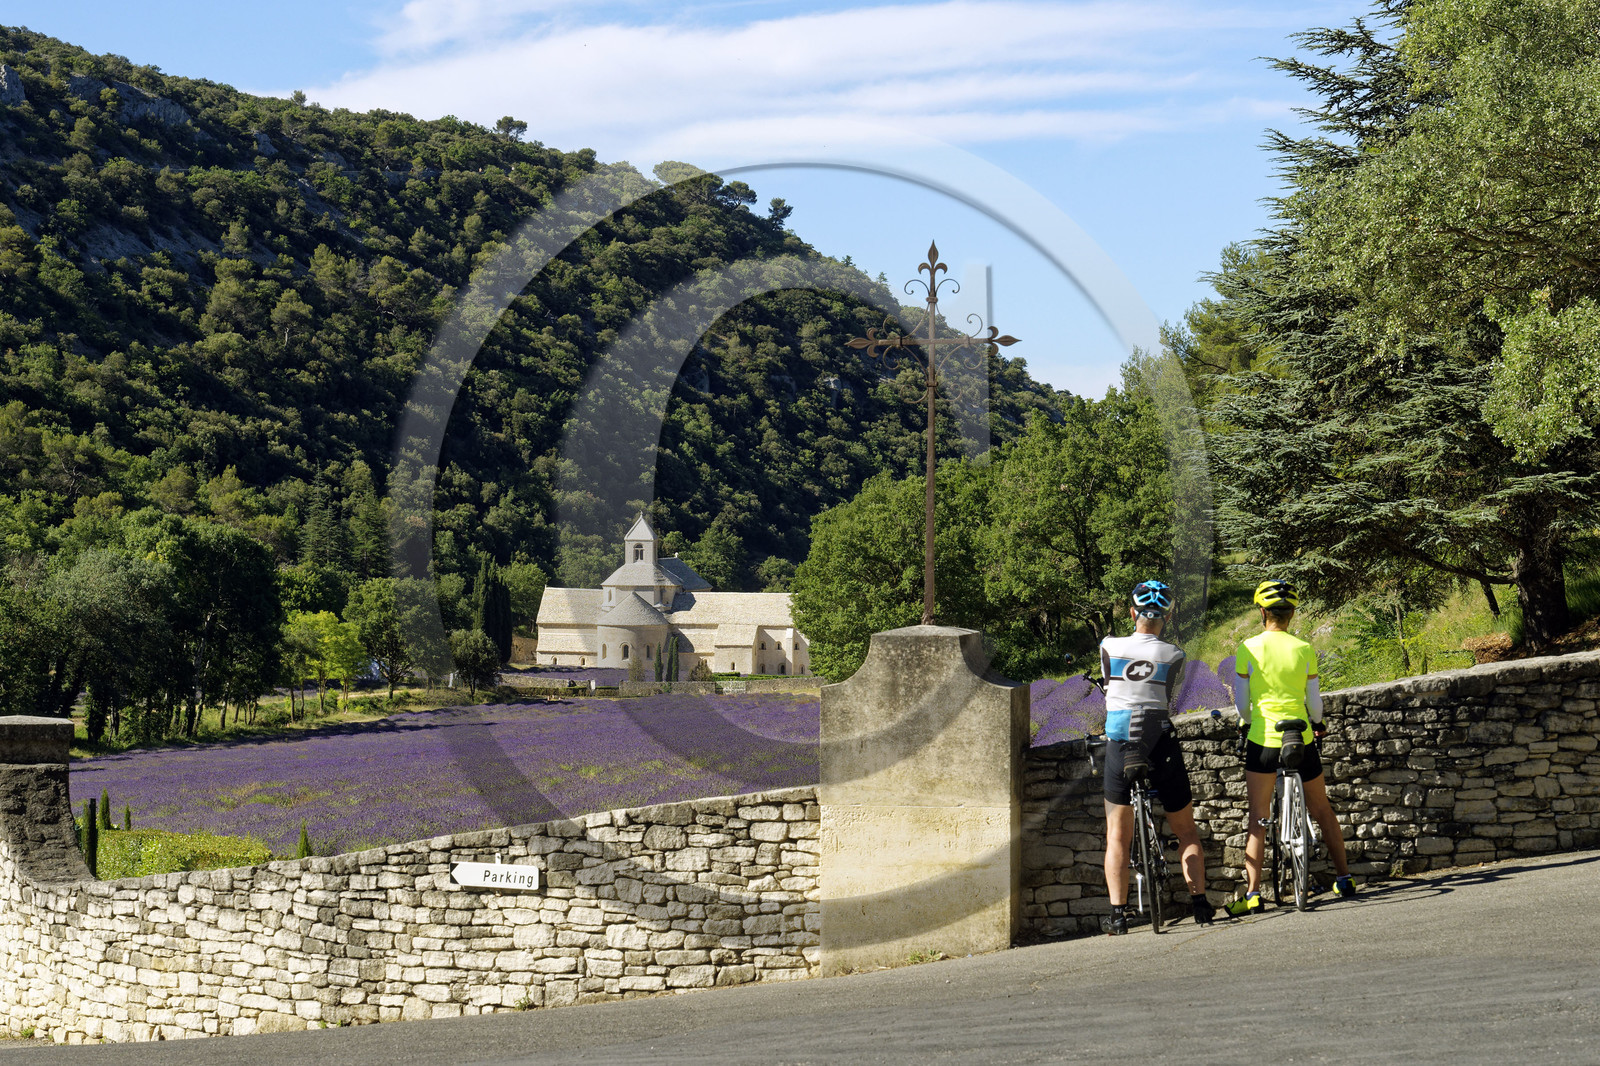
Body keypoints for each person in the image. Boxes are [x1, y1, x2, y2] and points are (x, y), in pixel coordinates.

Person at [1225, 579, 1356, 916]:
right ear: (1292, 613)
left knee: (1258, 818)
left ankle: (1253, 894)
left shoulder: (1248, 648)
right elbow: (1315, 706)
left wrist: (1247, 720)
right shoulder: (1304, 649)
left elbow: (1241, 706)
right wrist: (1317, 722)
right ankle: (1344, 877)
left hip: (1264, 740)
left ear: (1262, 611)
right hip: (1300, 738)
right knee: (1323, 810)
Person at [1099, 580, 1215, 934]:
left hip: (1121, 743)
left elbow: (1109, 681)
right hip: (1160, 742)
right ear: (1166, 617)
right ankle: (1200, 905)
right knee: (1186, 831)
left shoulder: (1109, 645)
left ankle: (1118, 916)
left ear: (1132, 613)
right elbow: (1167, 694)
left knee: (1117, 835)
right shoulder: (1174, 654)